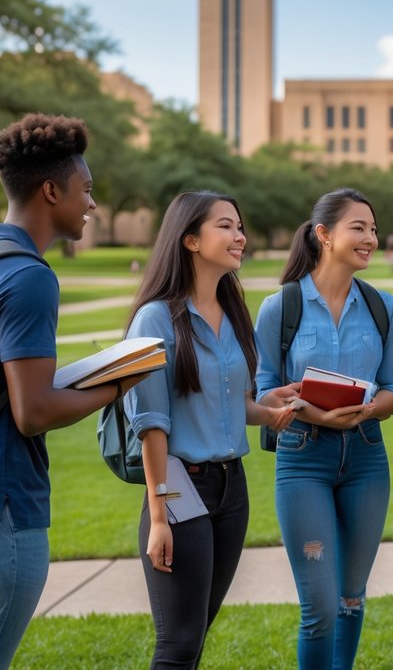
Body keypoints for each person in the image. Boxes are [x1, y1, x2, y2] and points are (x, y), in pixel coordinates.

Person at [0, 114, 139, 670]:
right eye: (86, 190)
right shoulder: (28, 276)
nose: (91, 204)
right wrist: (117, 386)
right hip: (1, 513)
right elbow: (33, 410)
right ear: (51, 191)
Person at [124, 191, 296, 669]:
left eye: (240, 226)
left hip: (231, 488)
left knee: (197, 632)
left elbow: (231, 402)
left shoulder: (233, 310)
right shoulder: (155, 318)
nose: (239, 236)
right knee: (177, 644)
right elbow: (151, 425)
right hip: (180, 486)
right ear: (191, 240)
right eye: (226, 226)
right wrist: (159, 518)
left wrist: (269, 409)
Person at [254, 189, 393, 670]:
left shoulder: (385, 308)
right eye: (358, 228)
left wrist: (367, 411)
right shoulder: (280, 308)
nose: (371, 238)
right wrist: (313, 414)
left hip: (366, 457)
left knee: (350, 599)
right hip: (303, 459)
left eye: (374, 229)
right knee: (319, 608)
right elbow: (263, 391)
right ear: (323, 235)